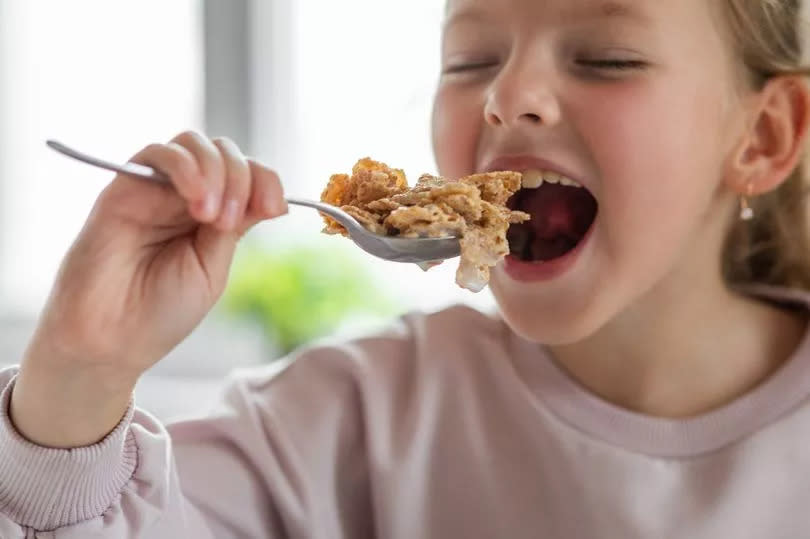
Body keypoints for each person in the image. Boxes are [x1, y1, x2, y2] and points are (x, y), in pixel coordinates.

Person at [2, 0, 810, 537]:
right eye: (471, 57)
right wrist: (81, 369)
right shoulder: (358, 418)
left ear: (765, 136)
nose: (508, 92)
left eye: (606, 57)